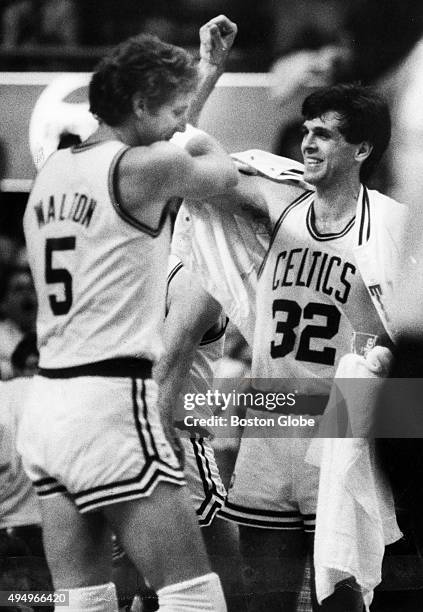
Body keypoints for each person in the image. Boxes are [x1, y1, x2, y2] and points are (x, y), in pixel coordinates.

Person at [18, 18, 238, 612]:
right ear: (141, 105)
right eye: (170, 109)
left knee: (82, 599)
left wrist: (206, 70)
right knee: (195, 594)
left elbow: (159, 145)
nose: (178, 121)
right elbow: (218, 174)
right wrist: (202, 143)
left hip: (47, 409)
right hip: (109, 401)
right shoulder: (140, 172)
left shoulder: (53, 175)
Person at [176, 83, 405, 611]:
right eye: (306, 131)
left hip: (342, 439)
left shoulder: (392, 227)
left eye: (324, 134)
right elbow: (188, 156)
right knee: (265, 602)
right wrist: (208, 74)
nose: (308, 143)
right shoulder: (279, 205)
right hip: (269, 431)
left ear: (362, 149)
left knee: (344, 601)